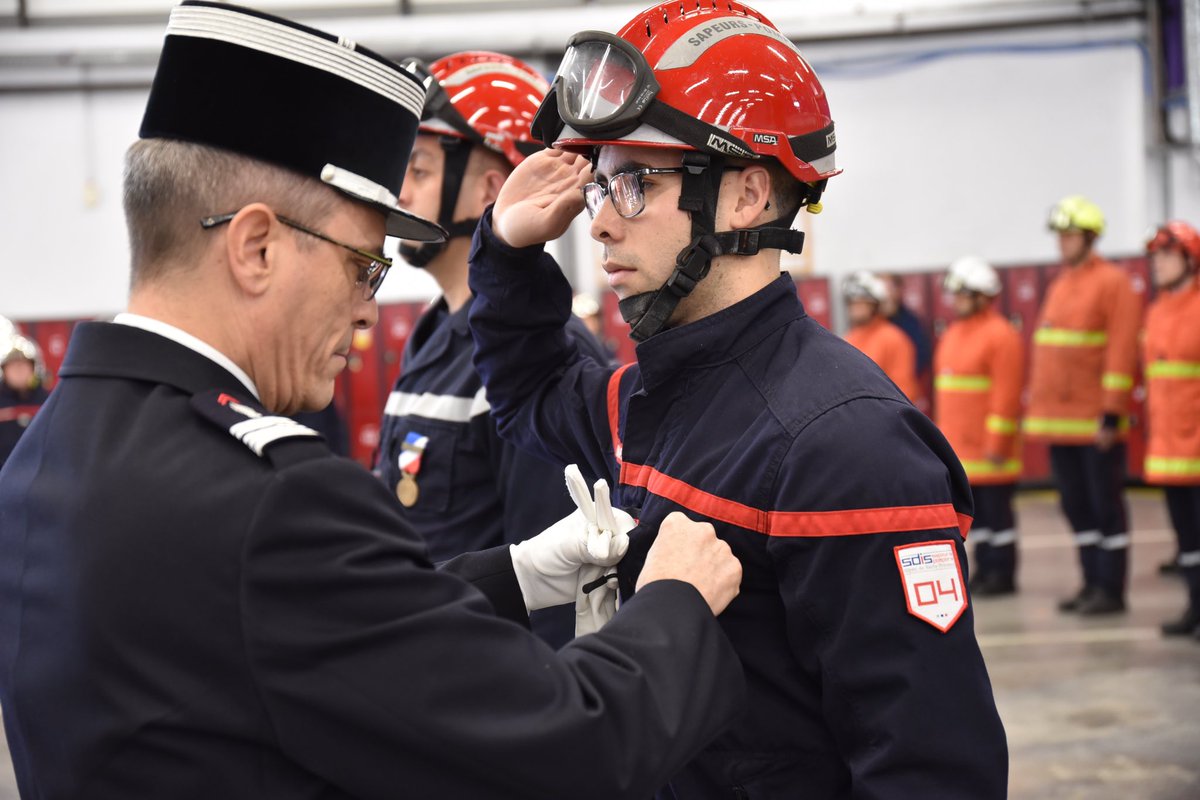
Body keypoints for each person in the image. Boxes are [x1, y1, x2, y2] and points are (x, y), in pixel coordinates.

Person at [0, 4, 748, 797]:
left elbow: (285, 625)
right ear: (257, 248)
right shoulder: (272, 503)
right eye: (361, 266)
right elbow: (571, 744)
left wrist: (518, 573)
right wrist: (673, 602)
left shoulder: (47, 453)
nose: (366, 311)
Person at [467, 2, 1008, 796]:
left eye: (634, 184)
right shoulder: (652, 398)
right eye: (600, 187)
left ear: (748, 196)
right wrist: (508, 250)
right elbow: (530, 397)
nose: (600, 225)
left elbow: (930, 770)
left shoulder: (845, 446)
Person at [379, 51, 611, 645]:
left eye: (420, 170)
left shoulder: (544, 356)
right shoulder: (432, 336)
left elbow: (559, 589)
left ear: (491, 187)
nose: (400, 189)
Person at [1024, 195, 1141, 615]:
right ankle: (1091, 582)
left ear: (1090, 237)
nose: (1062, 242)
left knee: (1105, 507)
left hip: (1094, 422)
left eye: (1069, 234)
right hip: (1059, 423)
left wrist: (1111, 413)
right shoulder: (1061, 284)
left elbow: (1121, 352)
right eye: (1059, 235)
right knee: (1075, 507)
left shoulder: (1113, 283)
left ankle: (1111, 589)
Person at [935, 256, 1025, 596]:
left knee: (998, 517)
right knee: (978, 519)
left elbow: (1006, 395)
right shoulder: (953, 333)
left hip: (989, 451)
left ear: (981, 296)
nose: (955, 301)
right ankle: (986, 571)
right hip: (961, 450)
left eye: (962, 294)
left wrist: (998, 443)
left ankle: (1003, 574)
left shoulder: (1001, 335)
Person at [1142, 221, 1200, 640]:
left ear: (1191, 261)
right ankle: (1195, 608)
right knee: (1187, 539)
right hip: (1169, 447)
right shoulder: (1157, 311)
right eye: (1155, 256)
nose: (1157, 263)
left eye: (1167, 255)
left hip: (1196, 443)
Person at [842, 269, 920, 401]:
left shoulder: (894, 339)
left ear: (875, 304)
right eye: (852, 302)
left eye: (862, 301)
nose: (855, 307)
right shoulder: (848, 339)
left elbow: (904, 391)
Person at [0, 332, 50, 470]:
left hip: (40, 474)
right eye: (13, 365)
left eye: (23, 365)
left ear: (33, 368)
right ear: (4, 370)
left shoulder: (47, 402)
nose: (19, 370)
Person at [881, 271, 933, 375]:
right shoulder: (869, 324)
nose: (886, 294)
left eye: (890, 287)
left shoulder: (911, 323)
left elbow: (921, 357)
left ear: (899, 290)